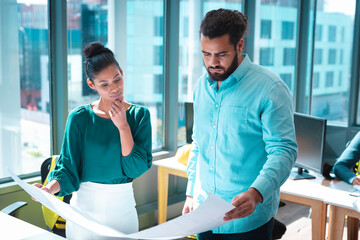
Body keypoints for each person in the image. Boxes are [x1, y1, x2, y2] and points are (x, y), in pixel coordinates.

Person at [181, 9, 298, 240]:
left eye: (221, 54)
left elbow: (284, 151)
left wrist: (257, 193)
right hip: (204, 213)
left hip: (248, 219)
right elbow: (199, 144)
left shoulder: (270, 88)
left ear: (240, 45)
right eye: (206, 54)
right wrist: (191, 193)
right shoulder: (201, 87)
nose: (212, 63)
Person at [33, 42, 152, 239]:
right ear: (91, 84)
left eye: (117, 79)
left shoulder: (139, 116)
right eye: (104, 84)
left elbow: (135, 168)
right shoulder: (79, 118)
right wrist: (48, 189)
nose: (114, 89)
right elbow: (68, 168)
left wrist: (123, 126)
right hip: (83, 216)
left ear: (122, 73)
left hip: (123, 216)